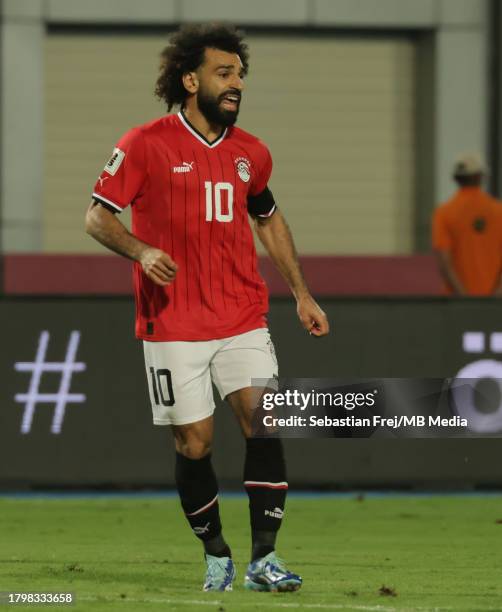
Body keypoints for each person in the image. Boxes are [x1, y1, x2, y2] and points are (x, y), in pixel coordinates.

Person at [85, 23, 329, 593]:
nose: (236, 84)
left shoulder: (252, 154)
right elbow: (97, 216)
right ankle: (215, 551)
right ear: (190, 80)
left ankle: (264, 560)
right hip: (173, 322)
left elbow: (267, 218)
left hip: (243, 314)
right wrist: (142, 250)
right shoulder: (145, 143)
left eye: (240, 74)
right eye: (225, 73)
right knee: (194, 443)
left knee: (265, 424)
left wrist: (301, 291)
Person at [432, 152, 502, 296]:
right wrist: (497, 292)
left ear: (456, 179)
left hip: (455, 303)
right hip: (495, 301)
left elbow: (444, 261)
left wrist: (463, 297)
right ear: (481, 177)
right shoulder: (498, 211)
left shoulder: (443, 213)